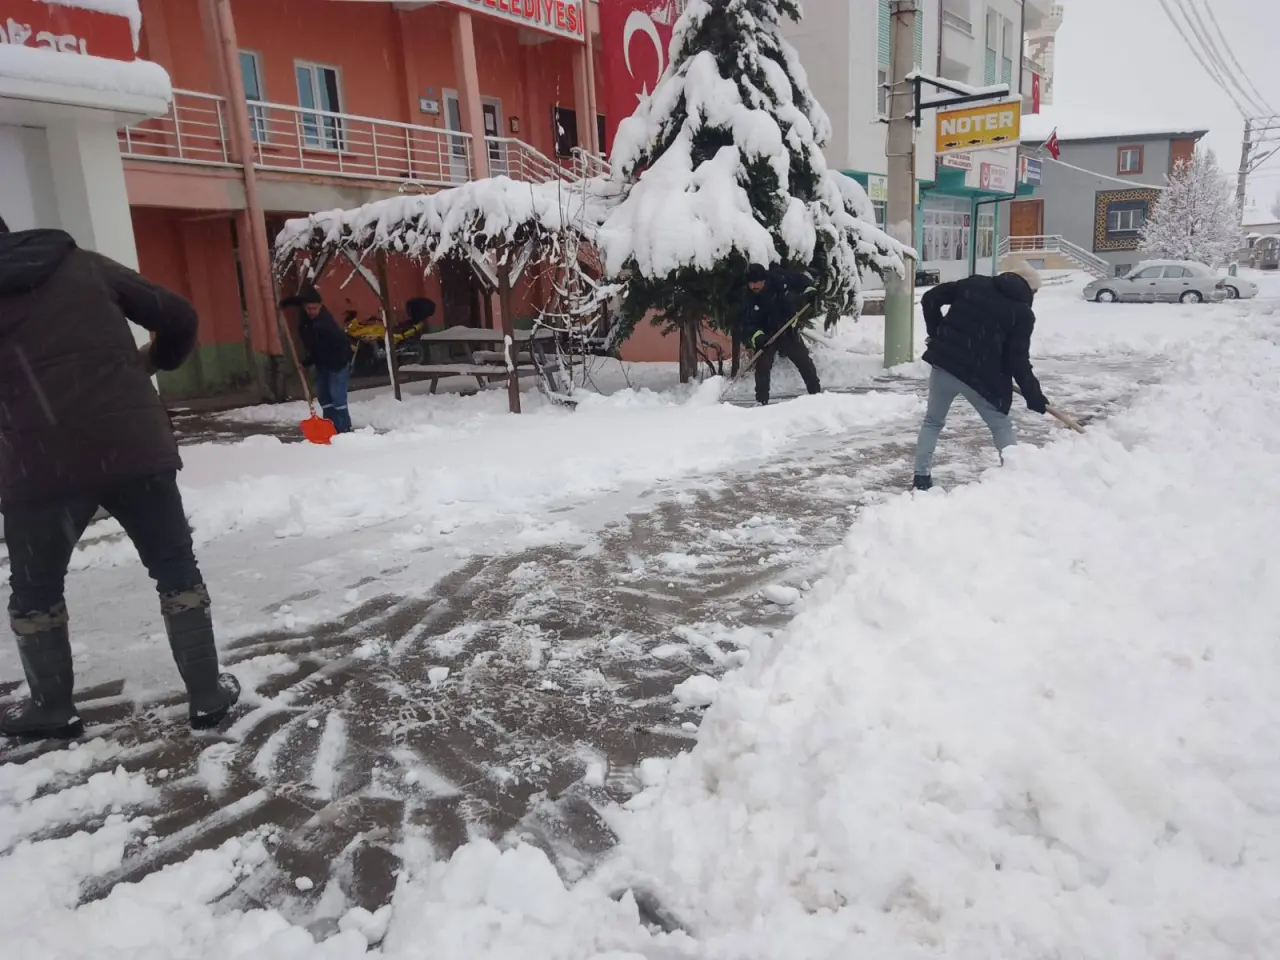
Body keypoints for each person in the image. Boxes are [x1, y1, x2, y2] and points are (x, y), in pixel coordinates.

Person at [0, 217, 240, 739]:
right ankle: (206, 696)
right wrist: (150, 362)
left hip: (40, 462)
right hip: (134, 447)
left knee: (36, 590)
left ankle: (52, 707)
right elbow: (178, 315)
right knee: (175, 568)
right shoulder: (83, 265)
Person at [912, 259, 1050, 491]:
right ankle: (1016, 476)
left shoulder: (974, 284)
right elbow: (1018, 360)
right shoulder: (1022, 313)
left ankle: (921, 477)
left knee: (933, 421)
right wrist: (1033, 394)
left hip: (945, 365)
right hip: (981, 378)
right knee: (1000, 426)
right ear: (1028, 288)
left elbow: (930, 298)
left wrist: (937, 334)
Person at [740, 263, 822, 406]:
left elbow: (802, 280)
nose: (753, 286)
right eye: (750, 283)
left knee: (804, 361)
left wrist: (810, 292)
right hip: (766, 336)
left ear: (764, 279)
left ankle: (816, 394)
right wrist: (758, 337)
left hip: (787, 328)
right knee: (763, 367)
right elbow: (747, 323)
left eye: (756, 282)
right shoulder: (748, 297)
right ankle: (761, 401)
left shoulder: (780, 279)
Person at [281, 286, 353, 433]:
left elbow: (319, 349)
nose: (311, 311)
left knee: (337, 396)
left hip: (337, 361)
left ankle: (344, 429)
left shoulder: (324, 326)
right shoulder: (307, 312)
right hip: (322, 362)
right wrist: (286, 303)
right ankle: (330, 426)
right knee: (324, 396)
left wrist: (306, 362)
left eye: (314, 308)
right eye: (308, 308)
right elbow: (300, 300)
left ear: (321, 306)